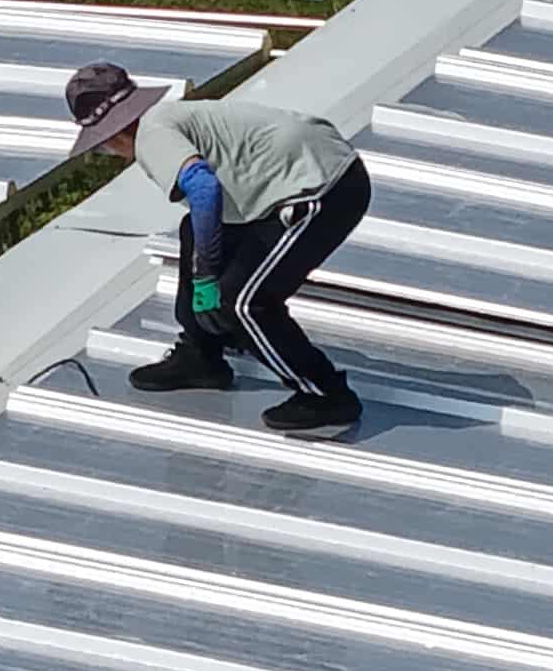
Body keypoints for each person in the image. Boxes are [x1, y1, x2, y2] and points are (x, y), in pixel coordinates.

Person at [66, 58, 369, 438]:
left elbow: (204, 188)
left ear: (112, 134)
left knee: (242, 301)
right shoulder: (169, 117)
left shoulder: (151, 136)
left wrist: (206, 275)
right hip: (316, 171)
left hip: (323, 189)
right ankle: (201, 355)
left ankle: (326, 395)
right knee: (194, 230)